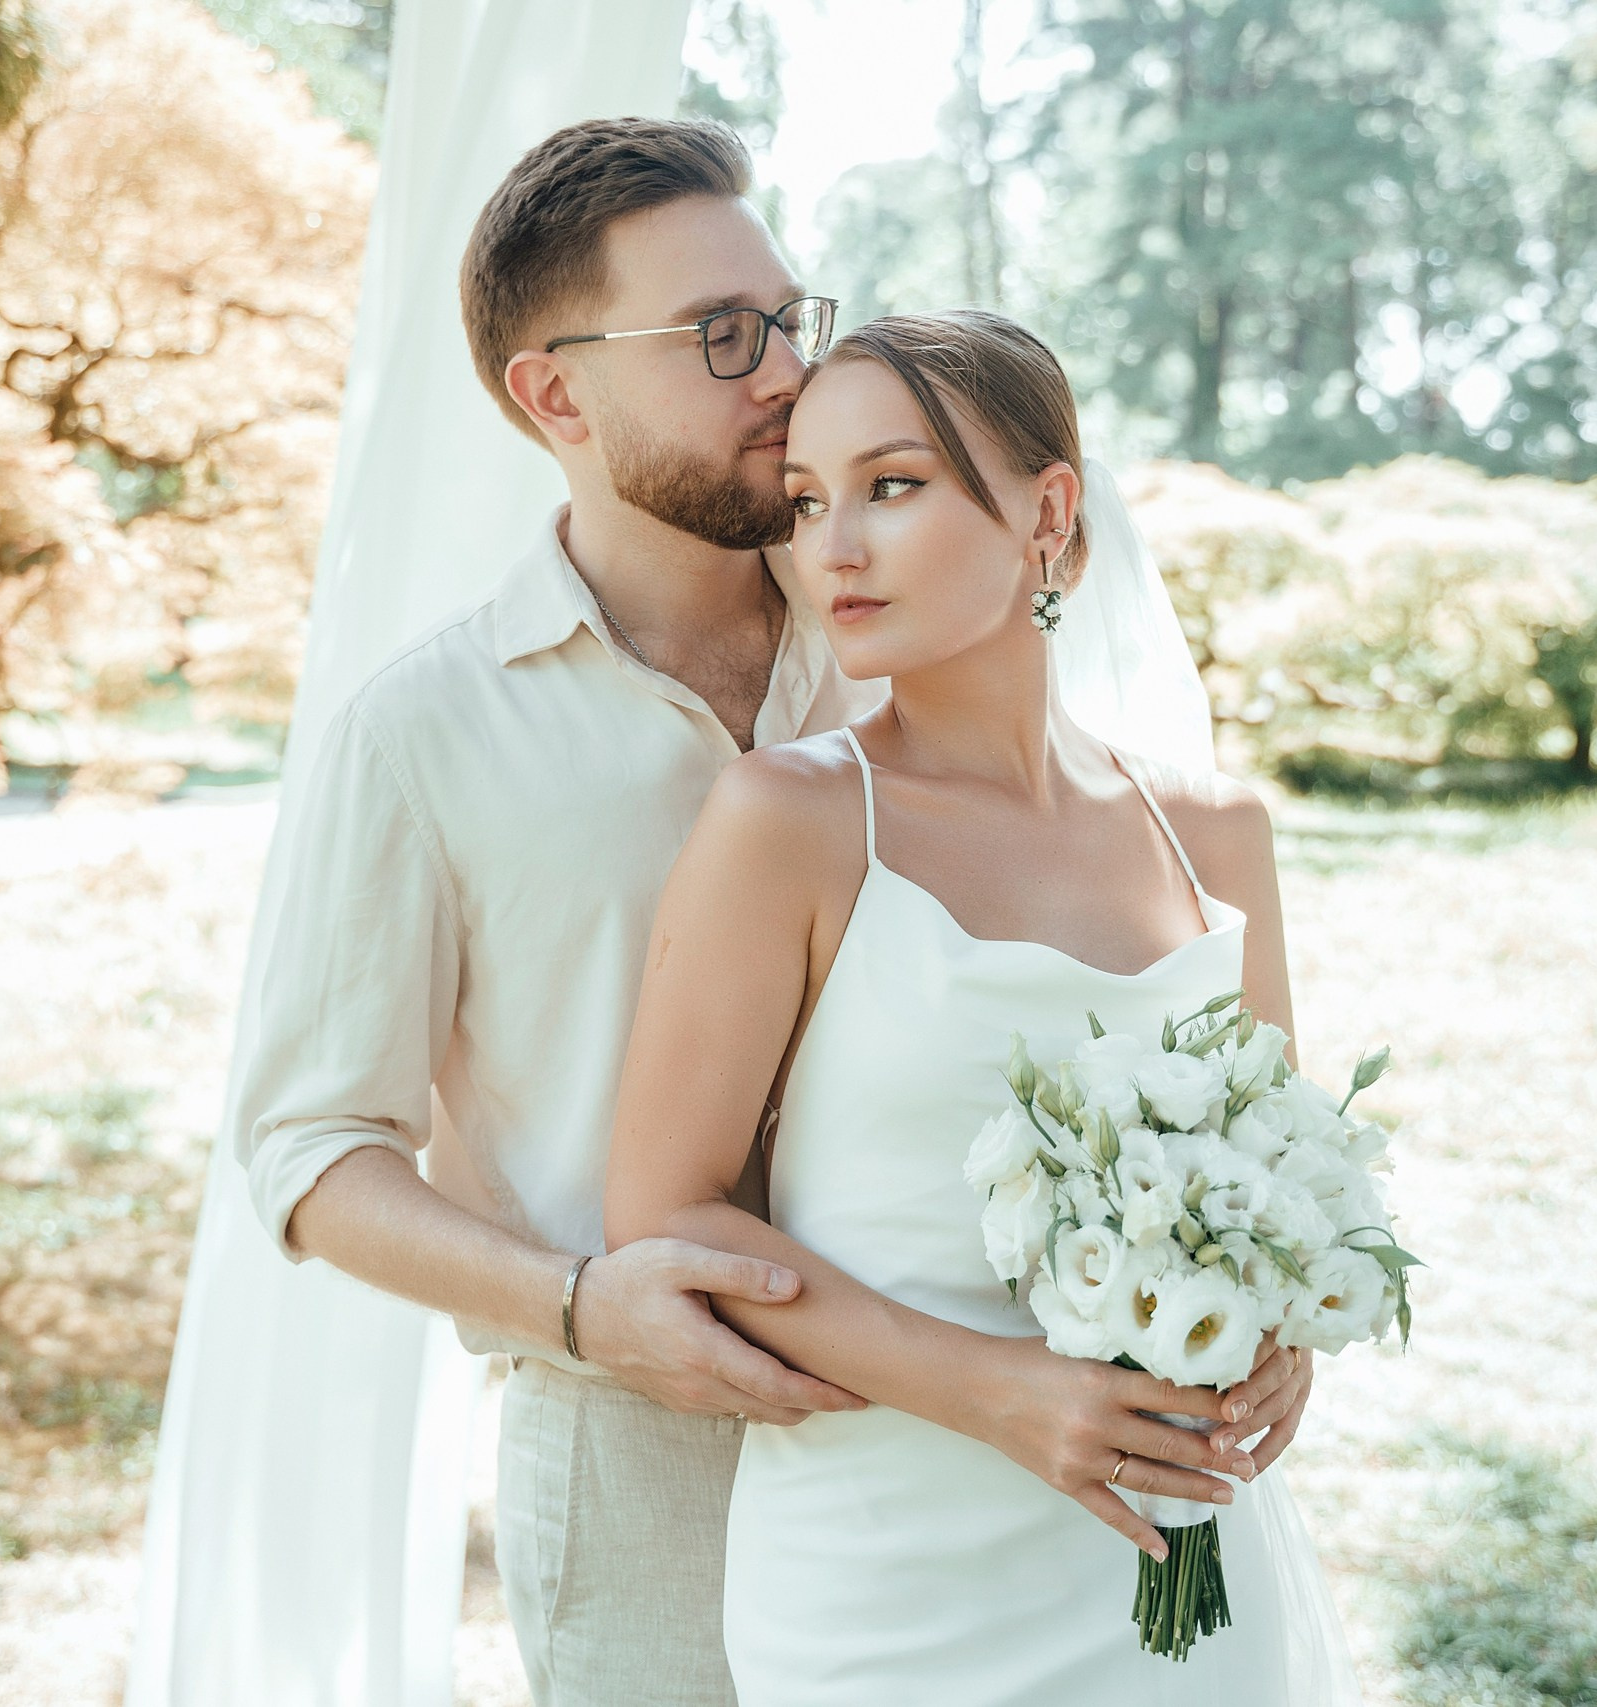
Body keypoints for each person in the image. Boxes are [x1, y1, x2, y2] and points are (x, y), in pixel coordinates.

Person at [603, 310, 1359, 1704]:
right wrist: (996, 1392)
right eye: (809, 501)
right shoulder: (794, 819)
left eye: (892, 487)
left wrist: (1281, 1339)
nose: (832, 547)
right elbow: (664, 1209)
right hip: (892, 1586)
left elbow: (1277, 1172)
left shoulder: (1215, 833)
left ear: (1047, 515)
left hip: (1176, 1564)